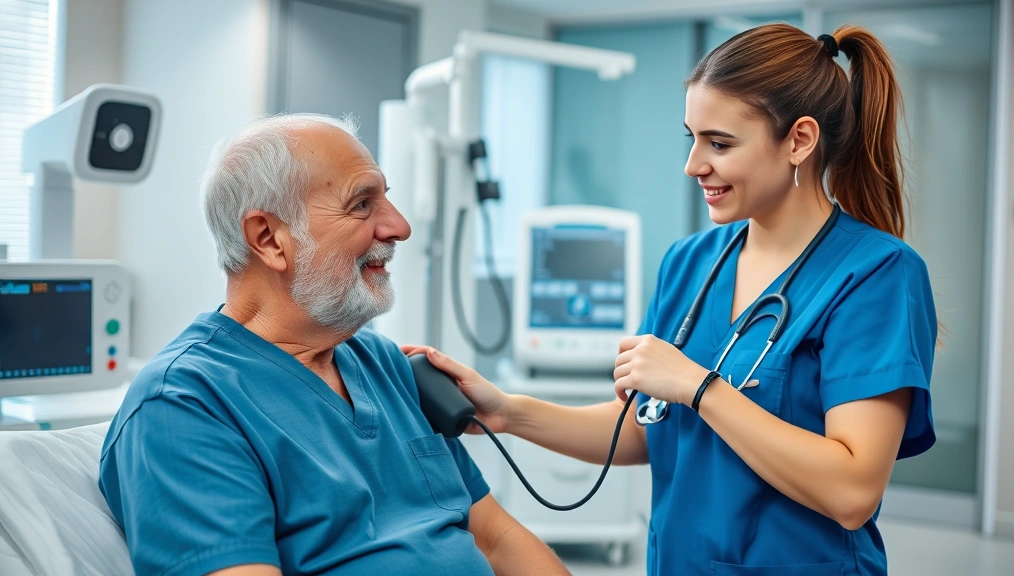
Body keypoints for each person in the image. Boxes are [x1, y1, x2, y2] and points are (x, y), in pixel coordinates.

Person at [405, 23, 938, 576]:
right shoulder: (690, 263)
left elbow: (852, 492)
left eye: (720, 143)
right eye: (693, 139)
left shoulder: (877, 275)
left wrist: (696, 385)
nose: (693, 165)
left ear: (799, 140)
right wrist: (508, 411)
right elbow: (645, 428)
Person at [99, 114, 569, 576]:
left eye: (386, 199)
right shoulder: (184, 405)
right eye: (362, 204)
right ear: (268, 239)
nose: (399, 226)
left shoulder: (385, 364)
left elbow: (496, 538)